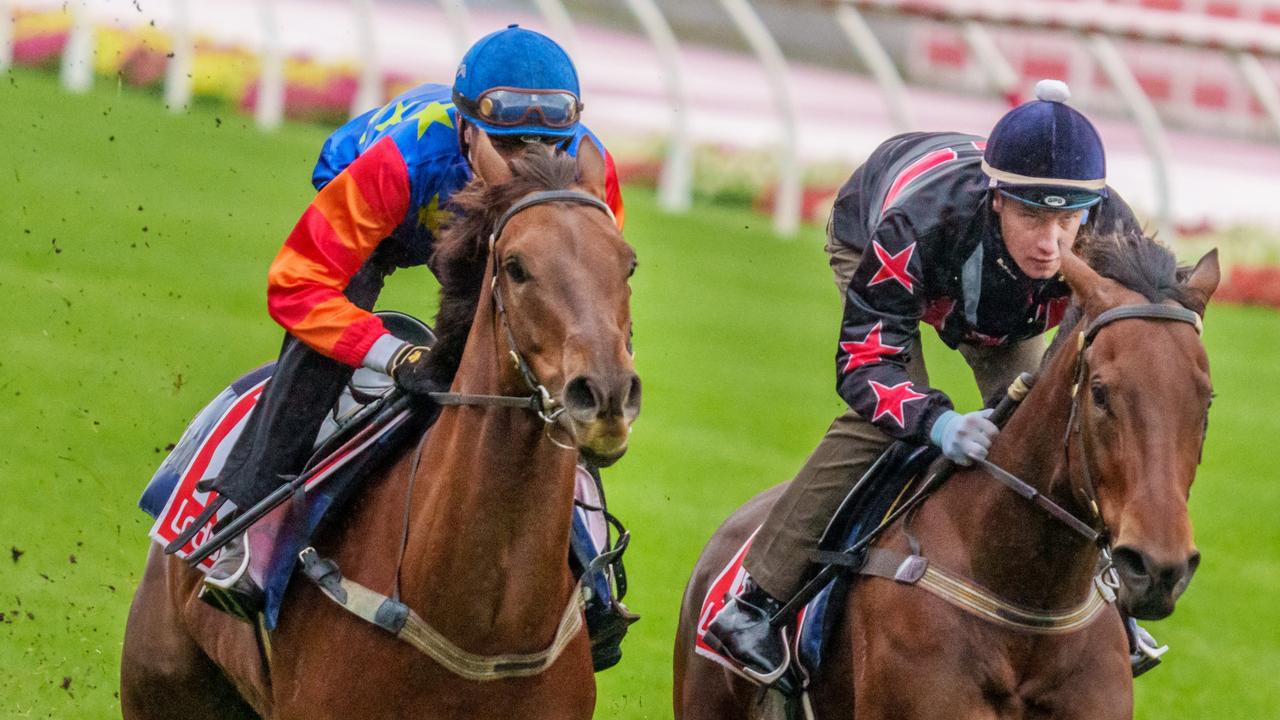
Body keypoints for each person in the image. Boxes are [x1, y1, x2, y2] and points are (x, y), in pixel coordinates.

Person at [703, 80, 1164, 682]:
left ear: (1091, 212)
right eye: (1030, 215)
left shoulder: (1110, 231)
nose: (1051, 244)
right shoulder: (916, 224)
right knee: (889, 429)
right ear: (997, 198)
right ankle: (754, 601)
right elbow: (868, 366)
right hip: (884, 245)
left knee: (1054, 429)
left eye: (1067, 220)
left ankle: (1106, 596)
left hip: (1001, 297)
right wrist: (934, 422)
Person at [198, 25, 625, 616]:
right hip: (394, 222)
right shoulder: (402, 160)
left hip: (506, 236)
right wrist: (391, 355)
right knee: (325, 337)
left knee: (554, 360)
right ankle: (251, 522)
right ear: (468, 130)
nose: (530, 163)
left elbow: (593, 299)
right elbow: (296, 284)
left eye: (546, 147)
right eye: (509, 146)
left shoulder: (584, 177)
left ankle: (590, 565)